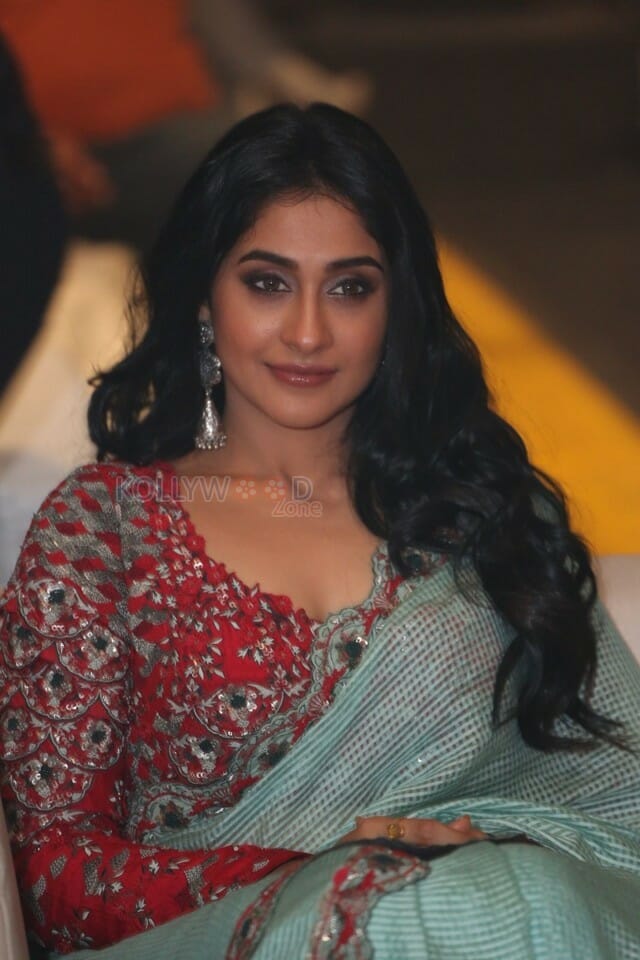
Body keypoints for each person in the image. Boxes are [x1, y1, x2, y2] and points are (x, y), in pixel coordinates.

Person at [0, 103, 639, 959]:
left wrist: (474, 867)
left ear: (397, 306)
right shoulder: (103, 530)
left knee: (515, 902)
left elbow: (617, 815)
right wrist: (329, 875)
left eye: (350, 288)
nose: (308, 331)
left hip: (507, 925)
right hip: (207, 943)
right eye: (267, 283)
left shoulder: (487, 518)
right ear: (204, 297)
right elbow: (53, 878)